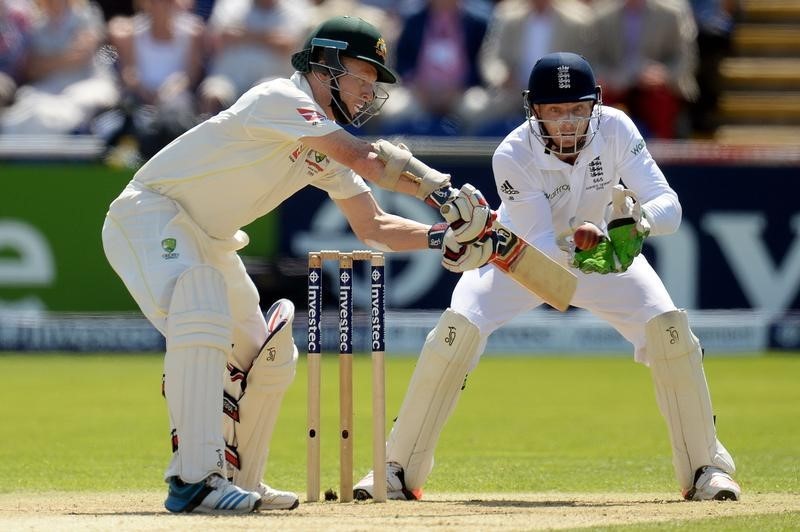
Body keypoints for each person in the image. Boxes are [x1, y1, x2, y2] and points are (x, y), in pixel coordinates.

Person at [101, 15, 491, 514]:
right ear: (323, 64)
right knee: (200, 303)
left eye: (375, 82)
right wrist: (442, 191)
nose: (368, 91)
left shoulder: (326, 148)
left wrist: (442, 238)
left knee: (270, 353)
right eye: (361, 75)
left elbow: (373, 227)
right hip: (149, 213)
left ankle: (241, 480)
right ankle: (194, 480)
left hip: (211, 239)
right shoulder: (278, 100)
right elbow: (369, 160)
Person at [353, 52, 741, 503]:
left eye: (578, 109)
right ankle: (397, 467)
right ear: (534, 111)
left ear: (594, 104)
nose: (569, 122)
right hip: (519, 260)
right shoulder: (513, 152)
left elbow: (666, 201)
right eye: (556, 112)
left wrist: (639, 225)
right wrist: (591, 244)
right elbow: (540, 244)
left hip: (610, 259)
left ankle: (706, 468)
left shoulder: (616, 128)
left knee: (669, 332)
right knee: (455, 332)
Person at [590, 0, 699, 138]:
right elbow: (594, 58)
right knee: (597, 105)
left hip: (656, 89)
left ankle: (660, 154)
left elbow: (685, 58)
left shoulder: (671, 13)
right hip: (616, 86)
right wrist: (607, 78)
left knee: (661, 102)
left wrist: (662, 74)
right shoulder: (602, 16)